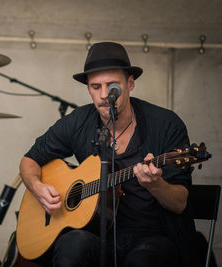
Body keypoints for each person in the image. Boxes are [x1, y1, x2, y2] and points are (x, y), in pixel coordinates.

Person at [19, 42, 197, 267]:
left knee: (143, 260)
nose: (104, 95)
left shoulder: (166, 124)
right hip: (96, 234)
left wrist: (155, 185)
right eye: (95, 87)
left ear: (130, 84)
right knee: (71, 247)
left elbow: (180, 202)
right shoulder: (78, 122)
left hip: (152, 237)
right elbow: (29, 160)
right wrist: (38, 188)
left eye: (113, 87)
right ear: (88, 89)